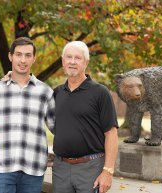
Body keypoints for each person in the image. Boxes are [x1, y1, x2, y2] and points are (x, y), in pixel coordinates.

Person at [0, 37, 55, 193]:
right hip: (1, 168)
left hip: (33, 168)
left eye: (27, 55)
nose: (23, 60)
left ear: (34, 58)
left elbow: (58, 128)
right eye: (18, 54)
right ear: (10, 56)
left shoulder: (45, 92)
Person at [52, 41, 119, 193]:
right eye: (69, 57)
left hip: (91, 168)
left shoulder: (100, 93)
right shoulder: (56, 93)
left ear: (86, 63)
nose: (72, 62)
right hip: (61, 169)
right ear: (63, 61)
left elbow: (111, 133)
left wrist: (108, 171)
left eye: (78, 58)